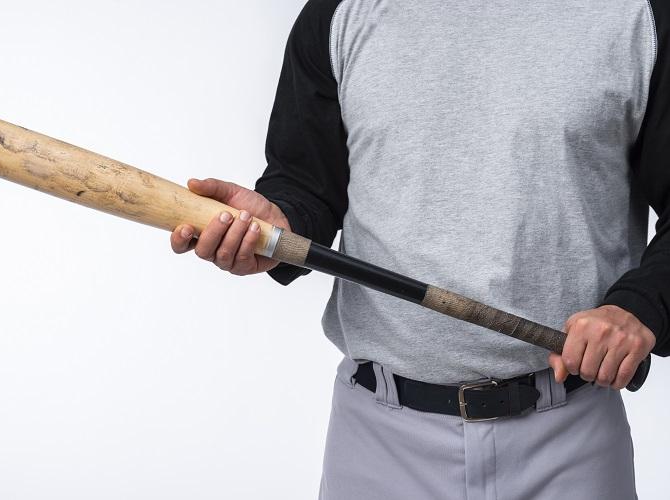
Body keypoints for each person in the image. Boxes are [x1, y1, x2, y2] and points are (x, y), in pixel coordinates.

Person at [171, 1, 669, 498]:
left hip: (570, 442)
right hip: (379, 443)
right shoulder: (339, 12)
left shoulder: (638, 16)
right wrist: (278, 227)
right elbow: (307, 187)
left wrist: (640, 306)